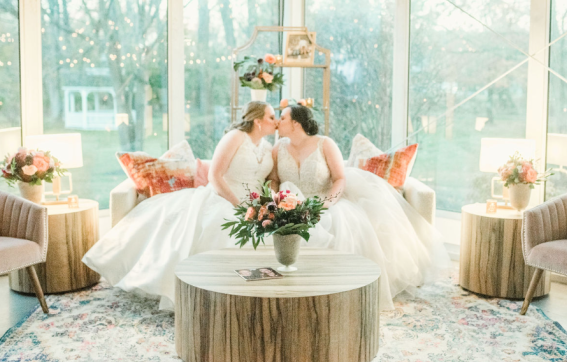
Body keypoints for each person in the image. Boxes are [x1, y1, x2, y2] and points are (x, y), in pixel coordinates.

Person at [82, 101, 277, 310]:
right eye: (272, 117)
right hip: (224, 197)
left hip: (255, 203)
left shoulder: (268, 147)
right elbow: (215, 176)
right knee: (221, 228)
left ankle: (255, 292)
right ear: (258, 121)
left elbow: (270, 180)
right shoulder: (236, 137)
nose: (275, 122)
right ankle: (214, 295)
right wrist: (239, 206)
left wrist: (268, 201)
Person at [269, 104, 450, 310]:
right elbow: (274, 179)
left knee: (335, 225)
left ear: (295, 123)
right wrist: (276, 199)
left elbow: (339, 178)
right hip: (291, 203)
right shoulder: (278, 148)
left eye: (282, 118)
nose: (278, 122)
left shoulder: (325, 144)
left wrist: (328, 202)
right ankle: (293, 287)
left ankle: (332, 291)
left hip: (326, 200)